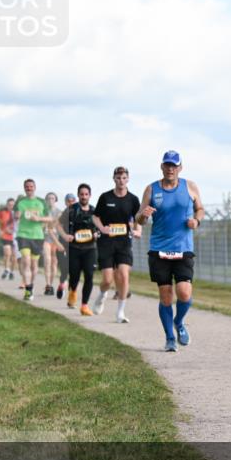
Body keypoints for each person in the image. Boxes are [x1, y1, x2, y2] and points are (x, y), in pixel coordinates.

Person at [137, 150, 205, 352]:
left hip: (183, 248)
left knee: (184, 293)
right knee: (166, 296)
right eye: (167, 164)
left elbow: (200, 208)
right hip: (159, 249)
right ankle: (169, 338)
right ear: (161, 166)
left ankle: (179, 322)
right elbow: (139, 217)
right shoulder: (151, 189)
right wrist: (144, 215)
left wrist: (196, 220)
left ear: (180, 168)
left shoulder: (190, 186)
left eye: (174, 165)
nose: (170, 168)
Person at [92, 166, 142, 323]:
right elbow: (95, 217)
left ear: (128, 179)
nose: (121, 181)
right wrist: (102, 228)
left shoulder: (133, 199)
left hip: (124, 242)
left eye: (124, 178)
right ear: (114, 179)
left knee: (124, 275)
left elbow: (138, 219)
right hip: (106, 241)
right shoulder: (105, 197)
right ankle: (101, 296)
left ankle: (120, 313)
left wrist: (138, 231)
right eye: (118, 178)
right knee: (107, 280)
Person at [56, 184, 99, 315]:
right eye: (82, 194)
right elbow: (57, 224)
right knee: (74, 276)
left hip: (90, 248)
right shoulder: (71, 209)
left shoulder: (94, 211)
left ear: (90, 196)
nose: (84, 196)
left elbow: (101, 227)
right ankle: (73, 291)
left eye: (86, 194)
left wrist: (98, 233)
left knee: (89, 276)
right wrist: (64, 235)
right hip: (74, 248)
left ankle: (84, 305)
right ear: (78, 195)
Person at [14, 179, 51, 300]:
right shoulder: (20, 202)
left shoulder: (41, 202)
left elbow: (49, 218)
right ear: (24, 188)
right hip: (23, 234)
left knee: (34, 265)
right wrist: (17, 215)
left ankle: (31, 285)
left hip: (37, 236)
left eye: (31, 186)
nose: (29, 188)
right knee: (26, 261)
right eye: (27, 186)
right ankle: (28, 289)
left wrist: (38, 219)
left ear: (35, 187)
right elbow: (16, 216)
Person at [41, 192, 63, 295]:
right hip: (46, 239)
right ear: (46, 200)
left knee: (54, 263)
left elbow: (58, 225)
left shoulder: (59, 212)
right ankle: (48, 285)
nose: (50, 200)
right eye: (48, 198)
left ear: (55, 200)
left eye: (52, 198)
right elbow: (40, 226)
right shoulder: (42, 212)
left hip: (56, 240)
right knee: (47, 260)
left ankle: (51, 284)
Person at [55, 194, 75, 299]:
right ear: (66, 202)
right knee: (64, 269)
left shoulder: (79, 212)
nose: (70, 203)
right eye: (68, 201)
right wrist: (59, 243)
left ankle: (71, 296)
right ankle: (62, 285)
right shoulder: (63, 214)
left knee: (73, 270)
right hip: (62, 244)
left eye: (72, 201)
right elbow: (55, 227)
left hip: (75, 245)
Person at [0, 198, 17, 279]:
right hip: (5, 235)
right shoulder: (2, 212)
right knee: (7, 254)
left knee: (14, 256)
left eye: (12, 205)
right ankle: (6, 269)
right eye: (9, 205)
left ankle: (11, 271)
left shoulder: (17, 213)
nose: (11, 206)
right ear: (7, 205)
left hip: (15, 236)